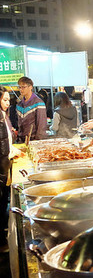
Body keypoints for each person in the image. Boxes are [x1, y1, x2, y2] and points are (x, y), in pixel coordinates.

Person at [0, 87, 23, 244]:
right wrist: (10, 153)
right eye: (5, 100)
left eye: (9, 100)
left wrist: (13, 150)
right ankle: (2, 241)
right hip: (1, 166)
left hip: (4, 165)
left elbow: (6, 141)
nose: (8, 103)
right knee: (1, 203)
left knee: (3, 201)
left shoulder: (4, 116)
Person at [16, 76, 47, 142]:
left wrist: (38, 141)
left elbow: (41, 125)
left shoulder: (38, 103)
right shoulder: (19, 104)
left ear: (30, 87)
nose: (21, 89)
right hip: (22, 140)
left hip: (34, 140)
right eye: (20, 87)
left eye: (23, 87)